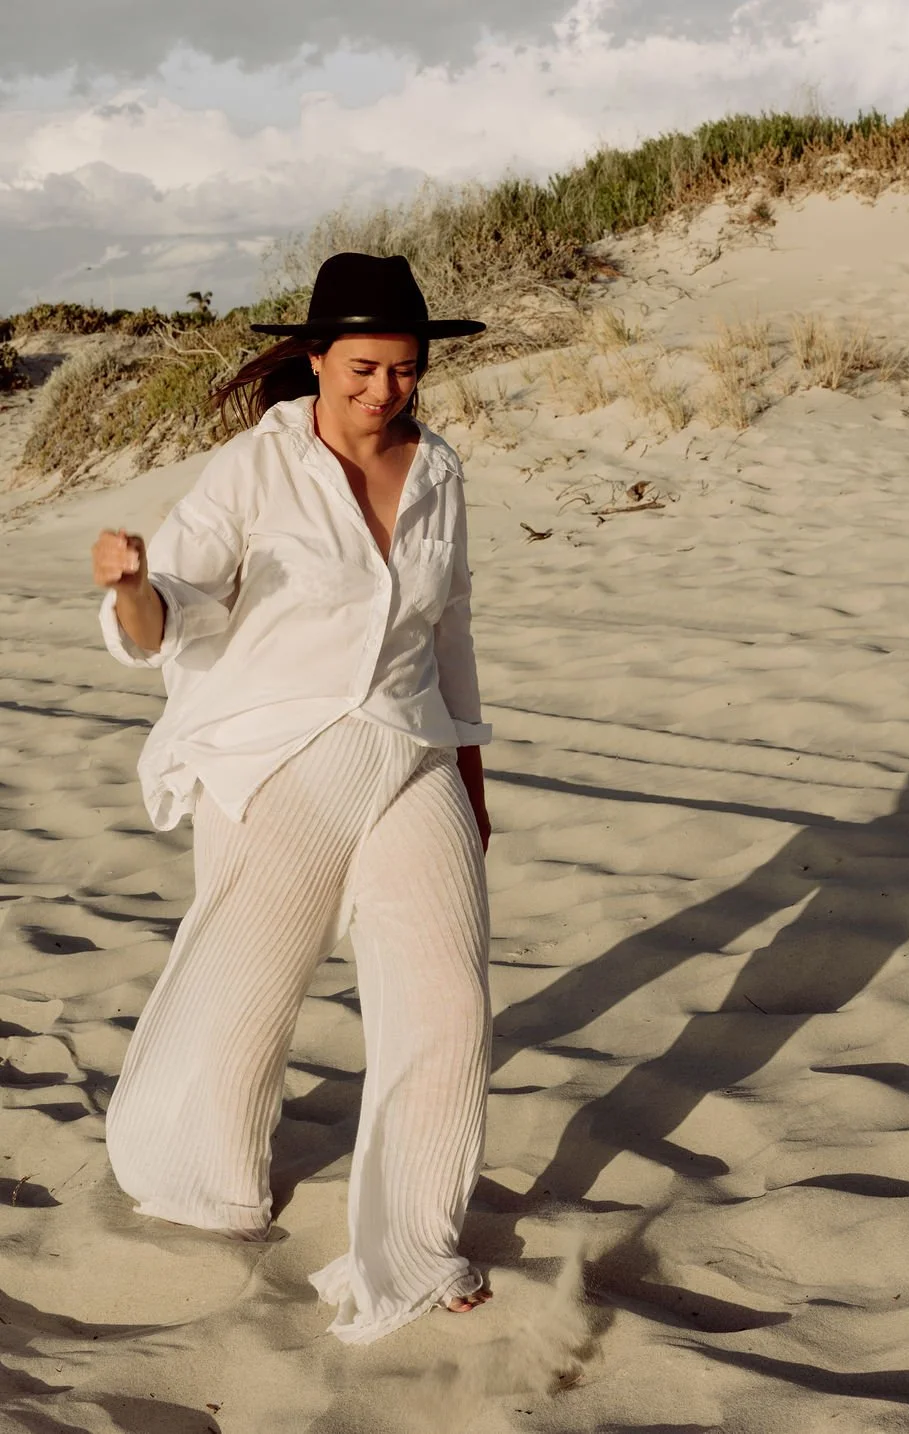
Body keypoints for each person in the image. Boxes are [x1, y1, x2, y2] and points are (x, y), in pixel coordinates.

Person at [90, 252, 494, 1345]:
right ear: (315, 359)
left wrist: (470, 776)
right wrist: (131, 588)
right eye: (363, 368)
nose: (385, 390)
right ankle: (196, 1183)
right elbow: (171, 615)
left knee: (450, 1001)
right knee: (247, 991)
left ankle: (413, 1247)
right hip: (279, 758)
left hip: (412, 749)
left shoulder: (440, 469)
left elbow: (449, 631)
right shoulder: (253, 469)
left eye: (405, 369)